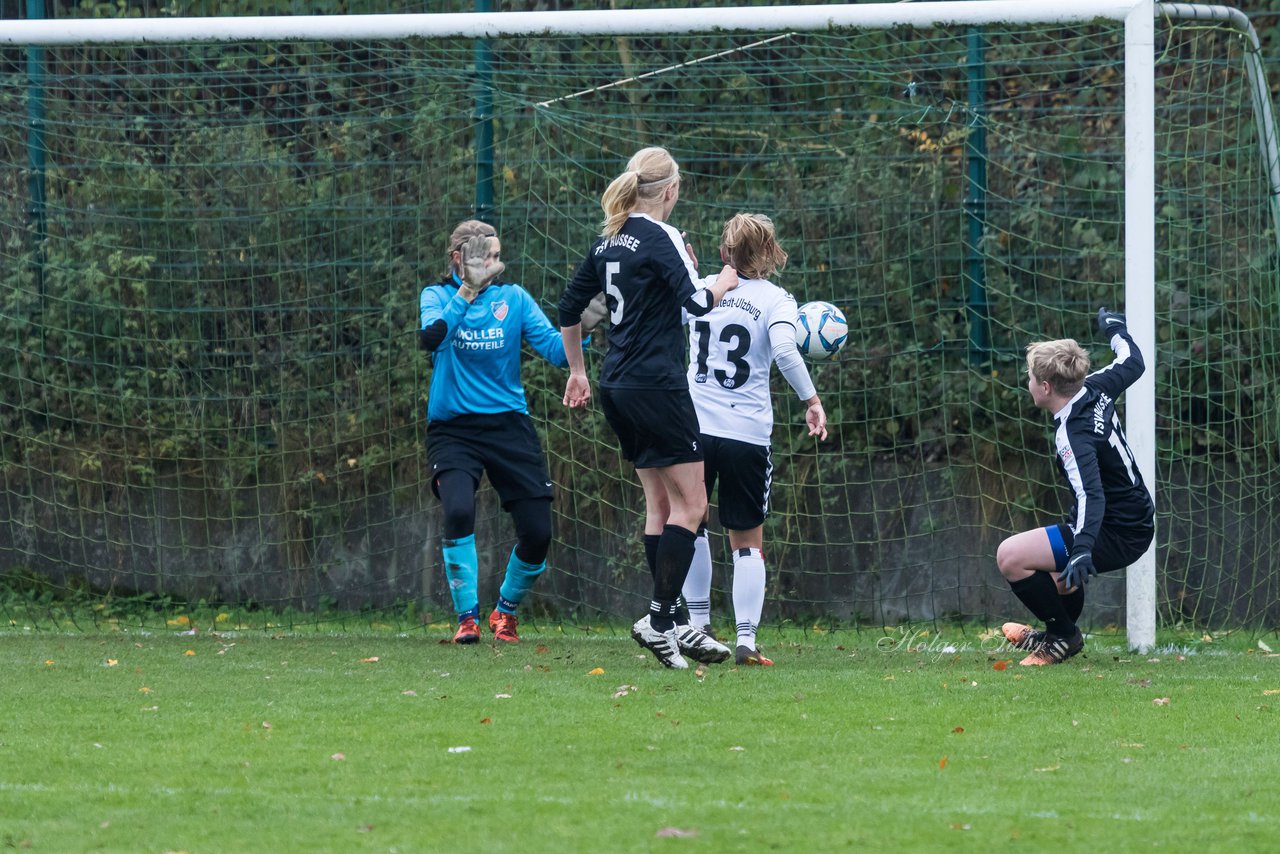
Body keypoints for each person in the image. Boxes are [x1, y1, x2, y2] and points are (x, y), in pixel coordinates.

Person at [558, 146, 739, 669]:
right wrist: (723, 282)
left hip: (616, 385)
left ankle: (679, 623)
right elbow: (698, 304)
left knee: (661, 506)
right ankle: (659, 621)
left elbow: (570, 310)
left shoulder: (609, 239)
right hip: (657, 387)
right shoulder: (662, 237)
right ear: (671, 191)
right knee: (694, 505)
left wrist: (577, 370)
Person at [679, 213, 828, 667]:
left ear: (724, 252)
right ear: (770, 253)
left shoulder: (706, 288)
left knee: (692, 524)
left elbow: (679, 308)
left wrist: (687, 267)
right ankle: (745, 641)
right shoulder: (776, 299)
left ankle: (700, 628)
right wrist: (812, 400)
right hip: (746, 435)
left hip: (695, 428)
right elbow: (784, 349)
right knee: (746, 541)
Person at [419, 219, 572, 645]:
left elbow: (558, 351)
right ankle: (467, 619)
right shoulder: (437, 296)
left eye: (497, 256)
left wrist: (590, 318)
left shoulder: (514, 300)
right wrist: (466, 291)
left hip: (508, 425)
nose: (495, 265)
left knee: (538, 532)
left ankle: (504, 611)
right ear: (458, 259)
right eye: (485, 257)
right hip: (453, 430)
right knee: (458, 512)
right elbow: (431, 338)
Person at [996, 307, 1155, 665]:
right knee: (1053, 581)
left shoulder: (1072, 435)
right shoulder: (1096, 386)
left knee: (1010, 557)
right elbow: (1133, 360)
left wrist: (1083, 547)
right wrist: (1115, 329)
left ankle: (1063, 636)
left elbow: (1090, 494)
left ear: (1047, 387)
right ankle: (1057, 633)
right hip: (1131, 518)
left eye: (1031, 378)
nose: (1028, 383)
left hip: (1118, 529)